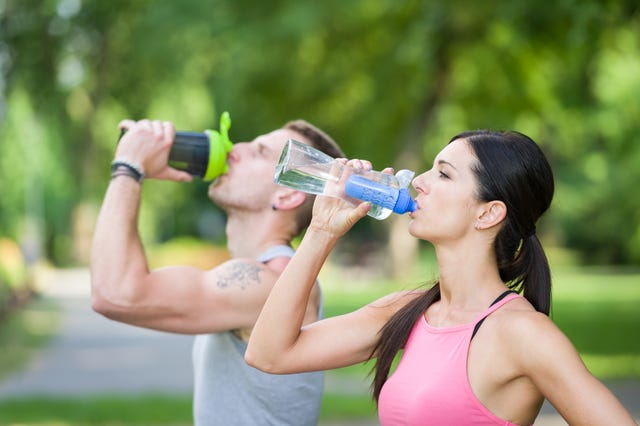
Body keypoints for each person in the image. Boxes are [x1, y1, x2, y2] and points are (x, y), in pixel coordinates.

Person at [245, 130, 636, 425]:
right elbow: (269, 354)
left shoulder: (521, 333)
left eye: (444, 175)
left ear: (488, 213)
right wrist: (320, 233)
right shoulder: (407, 311)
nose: (418, 181)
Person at [90, 117, 345, 425]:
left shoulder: (270, 284)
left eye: (260, 152)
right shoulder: (273, 276)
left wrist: (128, 167)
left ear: (288, 195)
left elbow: (116, 293)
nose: (235, 148)